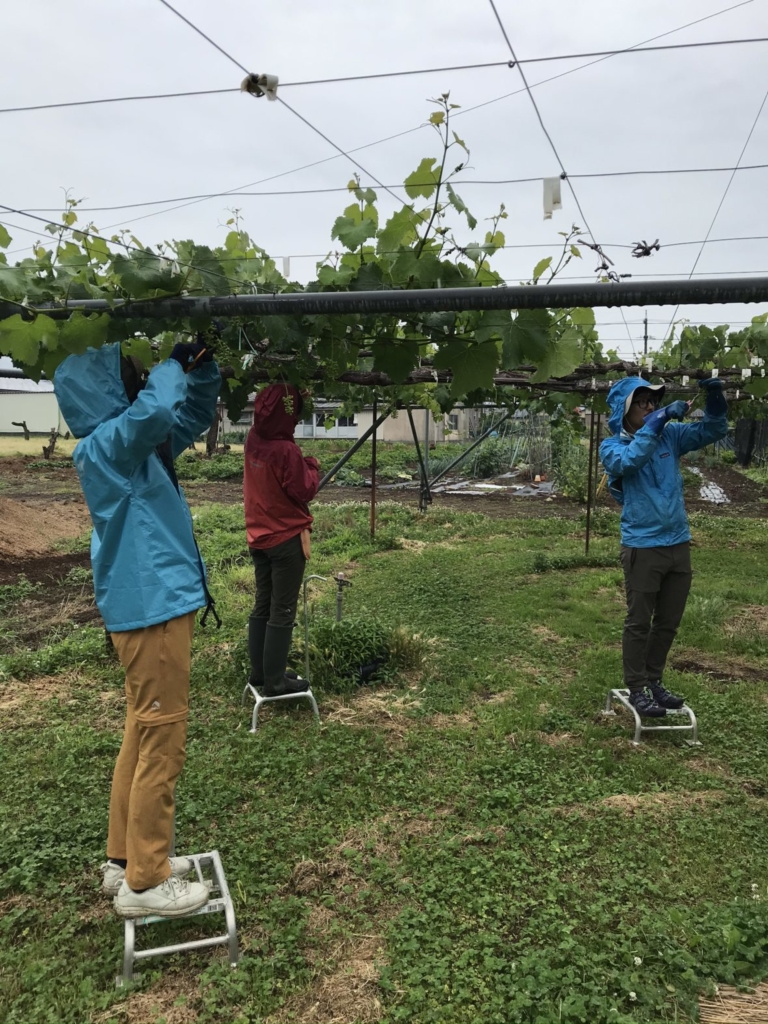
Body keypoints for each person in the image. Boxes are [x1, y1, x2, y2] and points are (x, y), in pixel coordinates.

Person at [53, 338, 221, 918]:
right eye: (129, 374)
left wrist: (198, 372)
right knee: (163, 739)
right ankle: (147, 883)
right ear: (106, 391)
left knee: (141, 730)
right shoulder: (110, 445)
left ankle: (124, 859)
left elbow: (186, 414)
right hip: (154, 610)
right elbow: (153, 409)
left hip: (145, 607)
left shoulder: (129, 448)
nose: (140, 379)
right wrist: (172, 365)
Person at [600, 376, 728, 718]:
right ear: (624, 411)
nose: (651, 406)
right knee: (639, 621)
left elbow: (712, 431)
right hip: (643, 545)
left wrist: (715, 400)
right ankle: (637, 687)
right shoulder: (612, 447)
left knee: (668, 622)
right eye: (642, 403)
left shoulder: (670, 435)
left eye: (653, 402)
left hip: (678, 542)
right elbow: (630, 462)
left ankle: (655, 680)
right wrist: (656, 423)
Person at [244, 383, 319, 697]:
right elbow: (304, 490)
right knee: (283, 609)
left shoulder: (253, 439)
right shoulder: (287, 451)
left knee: (263, 603)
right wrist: (312, 466)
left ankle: (260, 673)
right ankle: (276, 682)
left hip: (258, 535)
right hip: (286, 538)